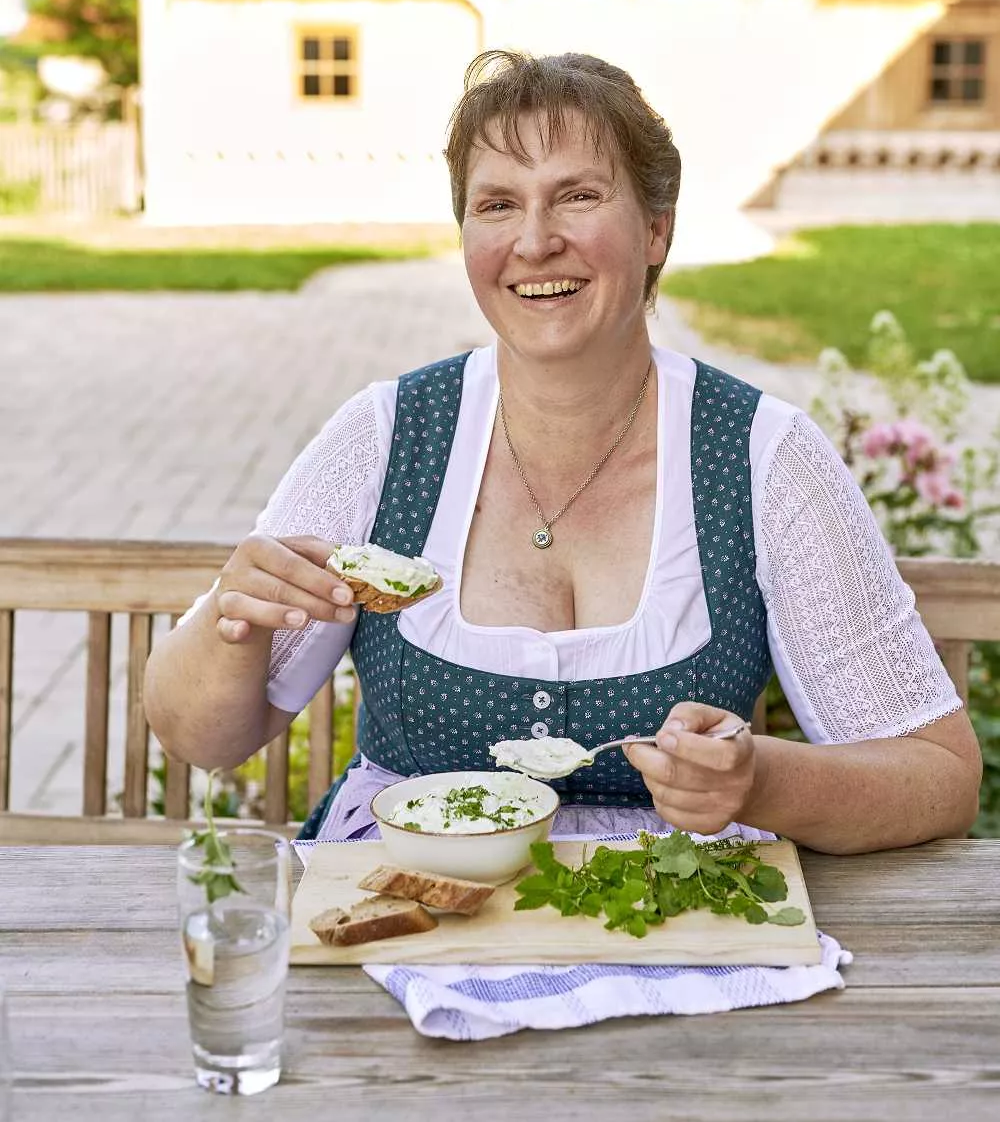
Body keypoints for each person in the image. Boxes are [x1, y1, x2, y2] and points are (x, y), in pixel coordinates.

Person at [145, 50, 982, 853]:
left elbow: (941, 777)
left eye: (576, 196)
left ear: (656, 231)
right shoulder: (387, 437)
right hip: (408, 911)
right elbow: (201, 738)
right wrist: (233, 621)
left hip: (673, 923)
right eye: (498, 205)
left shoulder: (764, 456)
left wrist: (760, 782)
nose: (535, 241)